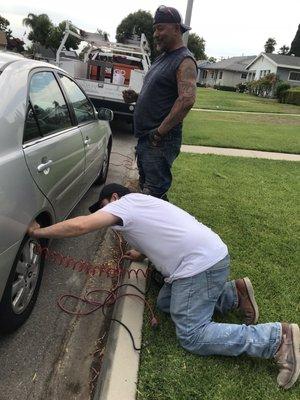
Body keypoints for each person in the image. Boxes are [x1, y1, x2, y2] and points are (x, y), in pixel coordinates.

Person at [28, 183, 299, 390]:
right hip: (209, 256)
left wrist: (38, 232)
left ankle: (278, 339)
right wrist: (141, 254)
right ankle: (233, 294)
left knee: (192, 335)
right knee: (164, 303)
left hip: (198, 267)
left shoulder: (121, 207)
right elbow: (159, 232)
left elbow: (80, 226)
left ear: (113, 199)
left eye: (102, 207)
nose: (103, 215)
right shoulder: (142, 202)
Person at [123, 5, 198, 200]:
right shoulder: (163, 58)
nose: (155, 34)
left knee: (153, 195)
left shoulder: (185, 60)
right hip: (147, 138)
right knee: (147, 190)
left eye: (160, 28)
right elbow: (162, 95)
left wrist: (158, 134)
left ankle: (159, 229)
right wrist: (138, 98)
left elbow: (187, 100)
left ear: (176, 28)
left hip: (158, 140)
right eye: (155, 28)